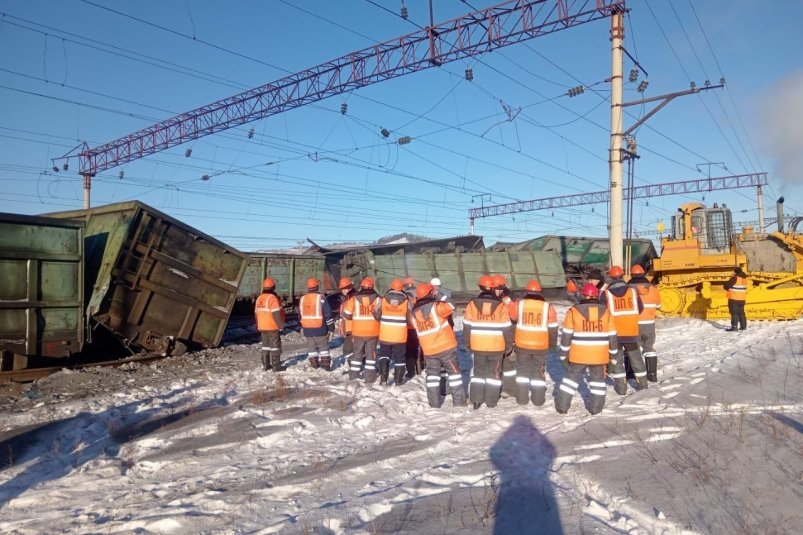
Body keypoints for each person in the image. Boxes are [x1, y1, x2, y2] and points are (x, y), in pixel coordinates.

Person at [555, 283, 618, 415]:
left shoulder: (574, 311)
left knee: (570, 380)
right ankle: (596, 409)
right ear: (596, 295)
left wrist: (563, 355)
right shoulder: (606, 312)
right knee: (598, 383)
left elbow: (566, 336)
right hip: (599, 356)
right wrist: (613, 357)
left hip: (578, 355)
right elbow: (612, 338)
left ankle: (562, 407)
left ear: (583, 295)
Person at [410, 283, 466, 407]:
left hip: (429, 351)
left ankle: (434, 404)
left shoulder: (413, 314)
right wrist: (441, 296)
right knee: (454, 375)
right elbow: (452, 305)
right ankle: (459, 403)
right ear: (430, 293)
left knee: (432, 377)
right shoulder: (436, 307)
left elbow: (416, 326)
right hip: (446, 348)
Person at [464, 275, 514, 409]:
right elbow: (506, 329)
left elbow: (467, 326)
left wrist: (467, 343)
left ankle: (476, 400)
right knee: (494, 373)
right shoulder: (501, 306)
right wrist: (509, 345)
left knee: (478, 373)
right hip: (496, 347)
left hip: (478, 345)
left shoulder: (472, 304)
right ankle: (491, 401)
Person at [508, 279, 558, 406]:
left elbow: (513, 318)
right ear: (540, 292)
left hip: (522, 346)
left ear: (526, 290)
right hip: (540, 347)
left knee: (522, 372)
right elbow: (553, 329)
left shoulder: (519, 305)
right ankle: (538, 400)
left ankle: (522, 399)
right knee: (538, 372)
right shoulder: (548, 307)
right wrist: (551, 345)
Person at [599, 265, 646, 394]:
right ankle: (643, 387)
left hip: (615, 335)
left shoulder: (606, 294)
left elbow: (602, 313)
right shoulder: (633, 291)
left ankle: (621, 389)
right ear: (623, 276)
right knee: (637, 360)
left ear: (610, 277)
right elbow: (640, 309)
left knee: (617, 361)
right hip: (631, 332)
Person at [343, 277, 381, 383]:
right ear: (372, 286)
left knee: (357, 354)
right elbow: (379, 316)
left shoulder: (354, 299)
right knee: (370, 356)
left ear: (362, 286)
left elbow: (347, 314)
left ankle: (353, 377)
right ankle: (370, 378)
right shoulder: (378, 299)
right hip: (373, 333)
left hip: (358, 333)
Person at [374, 278, 410, 385]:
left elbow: (376, 315)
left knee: (384, 355)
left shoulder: (383, 300)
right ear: (402, 289)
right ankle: (398, 381)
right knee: (400, 358)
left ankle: (383, 379)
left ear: (391, 287)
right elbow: (410, 319)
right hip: (400, 335)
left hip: (385, 334)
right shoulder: (407, 302)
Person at [629, 265, 661, 382]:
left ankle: (632, 375)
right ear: (643, 274)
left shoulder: (628, 290)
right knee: (649, 348)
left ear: (631, 275)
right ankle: (652, 375)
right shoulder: (653, 289)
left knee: (633, 350)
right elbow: (658, 305)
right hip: (649, 324)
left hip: (633, 324)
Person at [299, 277, 335, 370]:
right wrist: (331, 328)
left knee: (311, 349)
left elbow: (300, 315)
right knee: (323, 348)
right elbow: (327, 313)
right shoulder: (321, 298)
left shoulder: (302, 299)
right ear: (317, 287)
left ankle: (315, 366)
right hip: (320, 328)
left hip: (307, 329)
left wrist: (302, 326)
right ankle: (326, 367)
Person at [493, 274, 517, 397]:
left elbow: (514, 317)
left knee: (508, 363)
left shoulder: (510, 299)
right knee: (495, 364)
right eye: (496, 288)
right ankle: (494, 391)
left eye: (500, 288)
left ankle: (508, 389)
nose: (498, 291)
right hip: (494, 333)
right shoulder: (491, 298)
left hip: (507, 332)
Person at [254, 277, 285, 371]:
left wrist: (258, 324)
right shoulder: (272, 298)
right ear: (273, 287)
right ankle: (276, 366)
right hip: (272, 326)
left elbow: (256, 313)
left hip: (262, 326)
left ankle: (265, 365)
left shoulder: (259, 298)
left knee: (265, 345)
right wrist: (280, 325)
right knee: (275, 345)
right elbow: (276, 313)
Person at [332, 277, 356, 374]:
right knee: (351, 350)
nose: (344, 290)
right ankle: (354, 368)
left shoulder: (354, 298)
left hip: (353, 329)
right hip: (348, 329)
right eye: (342, 288)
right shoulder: (347, 298)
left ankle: (354, 369)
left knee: (348, 350)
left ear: (351, 287)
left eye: (346, 288)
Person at [402, 276, 421, 378]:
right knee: (418, 347)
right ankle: (420, 367)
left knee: (409, 350)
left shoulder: (405, 296)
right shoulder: (419, 293)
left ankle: (410, 371)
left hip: (409, 327)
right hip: (420, 326)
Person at [724, 266, 748, 331]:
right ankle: (743, 326)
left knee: (734, 313)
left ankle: (734, 327)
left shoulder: (735, 278)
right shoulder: (744, 279)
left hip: (734, 298)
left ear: (735, 272)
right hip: (742, 299)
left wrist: (725, 284)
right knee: (741, 312)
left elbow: (726, 286)